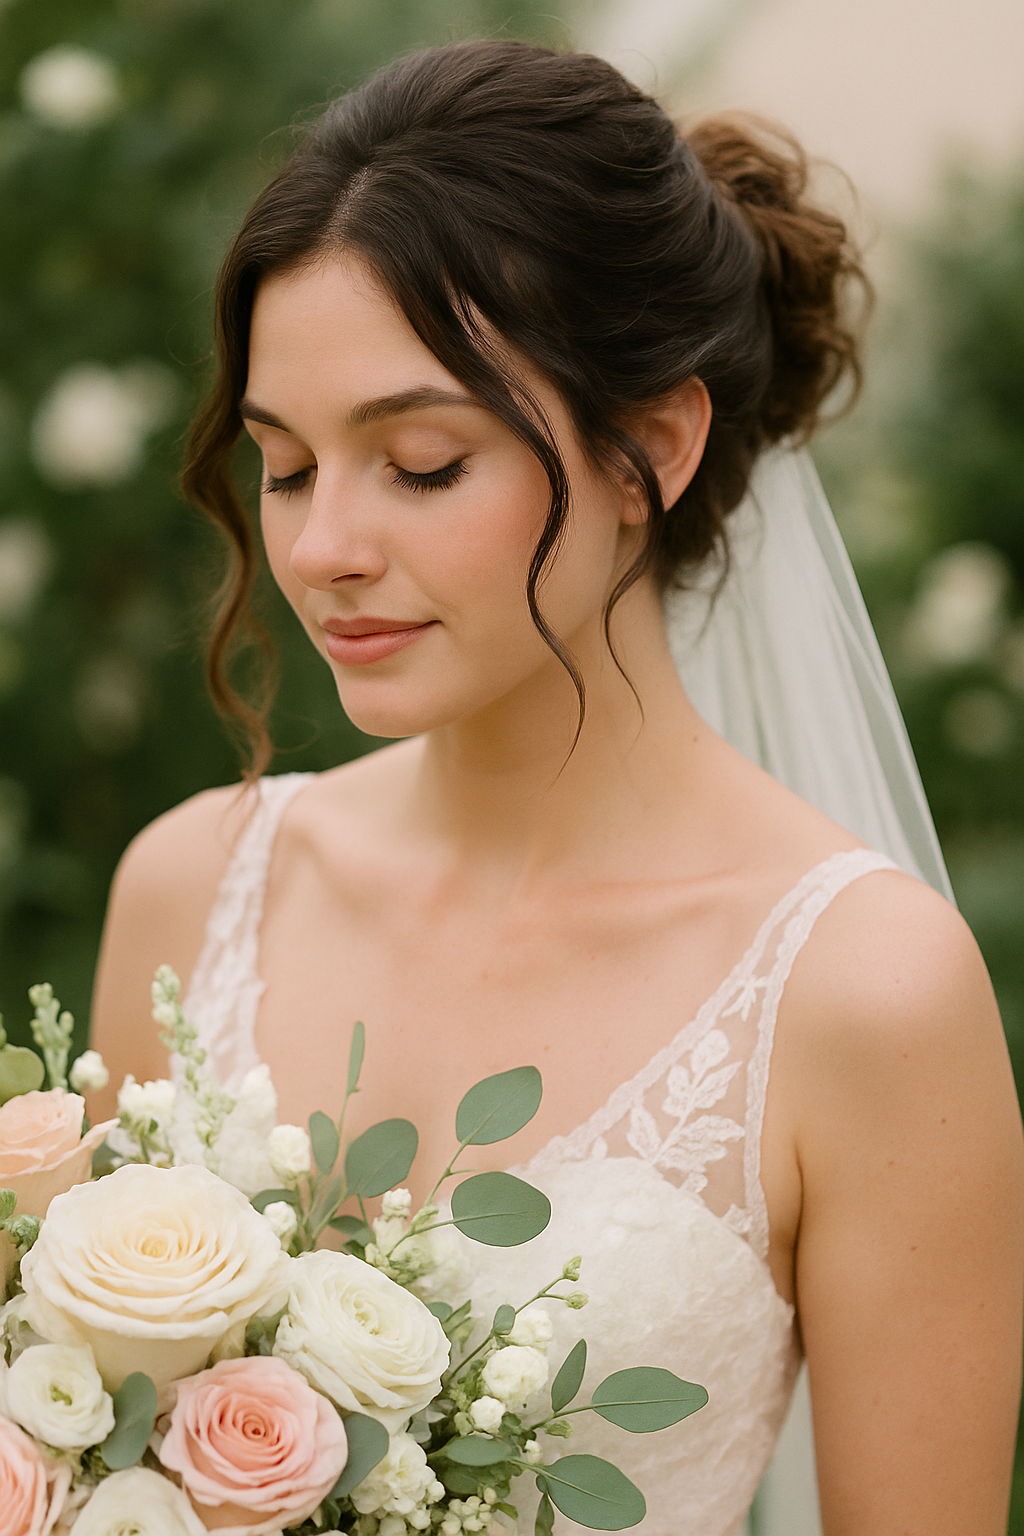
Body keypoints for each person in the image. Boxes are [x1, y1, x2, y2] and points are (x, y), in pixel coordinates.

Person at [88, 40, 1023, 1536]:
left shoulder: (867, 993)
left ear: (650, 447)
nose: (325, 545)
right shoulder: (192, 886)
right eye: (283, 465)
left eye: (423, 462)